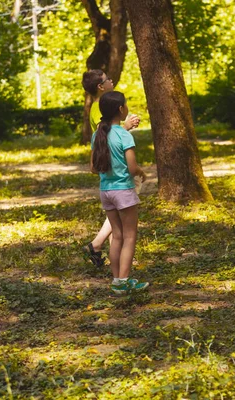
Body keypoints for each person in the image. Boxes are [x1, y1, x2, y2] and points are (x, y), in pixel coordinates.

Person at [91, 91, 148, 294]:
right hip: (123, 190)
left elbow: (93, 167)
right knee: (130, 236)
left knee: (117, 236)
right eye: (125, 105)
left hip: (105, 191)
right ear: (120, 110)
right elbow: (132, 168)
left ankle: (117, 280)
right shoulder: (124, 134)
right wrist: (142, 173)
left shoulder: (97, 134)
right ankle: (123, 280)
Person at [82, 70, 140, 267]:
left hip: (106, 181)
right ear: (101, 86)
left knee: (118, 233)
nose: (112, 80)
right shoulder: (99, 109)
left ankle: (117, 269)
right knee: (125, 229)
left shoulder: (98, 107)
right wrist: (126, 128)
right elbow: (107, 135)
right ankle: (99, 246)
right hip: (118, 174)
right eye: (108, 79)